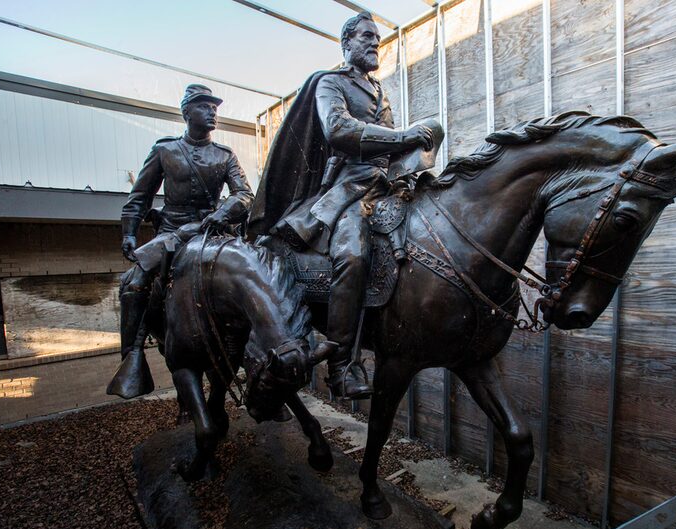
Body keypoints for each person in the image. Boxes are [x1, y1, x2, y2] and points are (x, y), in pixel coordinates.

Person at [247, 12, 433, 399]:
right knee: (353, 254)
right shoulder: (330, 83)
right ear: (346, 43)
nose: (373, 44)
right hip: (352, 187)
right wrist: (403, 135)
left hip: (390, 183)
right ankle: (342, 365)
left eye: (377, 39)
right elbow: (338, 130)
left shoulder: (379, 91)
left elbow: (394, 148)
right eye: (366, 37)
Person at [107, 84, 254, 399]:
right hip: (172, 233)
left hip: (212, 232)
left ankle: (260, 362)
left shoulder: (225, 155)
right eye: (204, 106)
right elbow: (139, 198)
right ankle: (131, 358)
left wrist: (225, 211)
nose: (212, 111)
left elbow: (244, 194)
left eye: (214, 107)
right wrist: (129, 233)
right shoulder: (165, 150)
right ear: (187, 112)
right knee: (133, 283)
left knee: (254, 278)